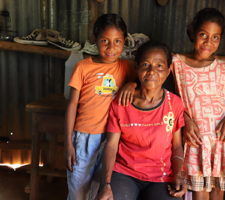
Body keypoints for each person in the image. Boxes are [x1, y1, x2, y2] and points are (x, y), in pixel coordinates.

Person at [95, 41, 187, 200]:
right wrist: (106, 184)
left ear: (168, 71)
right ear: (136, 67)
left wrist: (179, 175)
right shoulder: (121, 103)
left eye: (159, 66)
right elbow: (111, 145)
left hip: (161, 176)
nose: (152, 71)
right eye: (146, 64)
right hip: (125, 173)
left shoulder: (175, 104)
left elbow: (177, 146)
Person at [171, 8, 225, 200]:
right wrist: (186, 120)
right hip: (196, 139)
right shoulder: (176, 63)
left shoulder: (223, 67)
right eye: (203, 34)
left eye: (215, 37)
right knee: (199, 192)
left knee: (218, 191)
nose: (208, 42)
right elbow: (170, 100)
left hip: (222, 137)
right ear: (192, 32)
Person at [64, 13, 138, 200]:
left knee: (99, 189)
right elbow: (72, 105)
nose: (111, 47)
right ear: (95, 40)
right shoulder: (83, 67)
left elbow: (140, 82)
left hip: (112, 139)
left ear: (124, 42)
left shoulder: (126, 68)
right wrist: (68, 144)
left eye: (117, 41)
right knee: (78, 189)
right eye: (105, 41)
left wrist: (132, 84)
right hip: (85, 137)